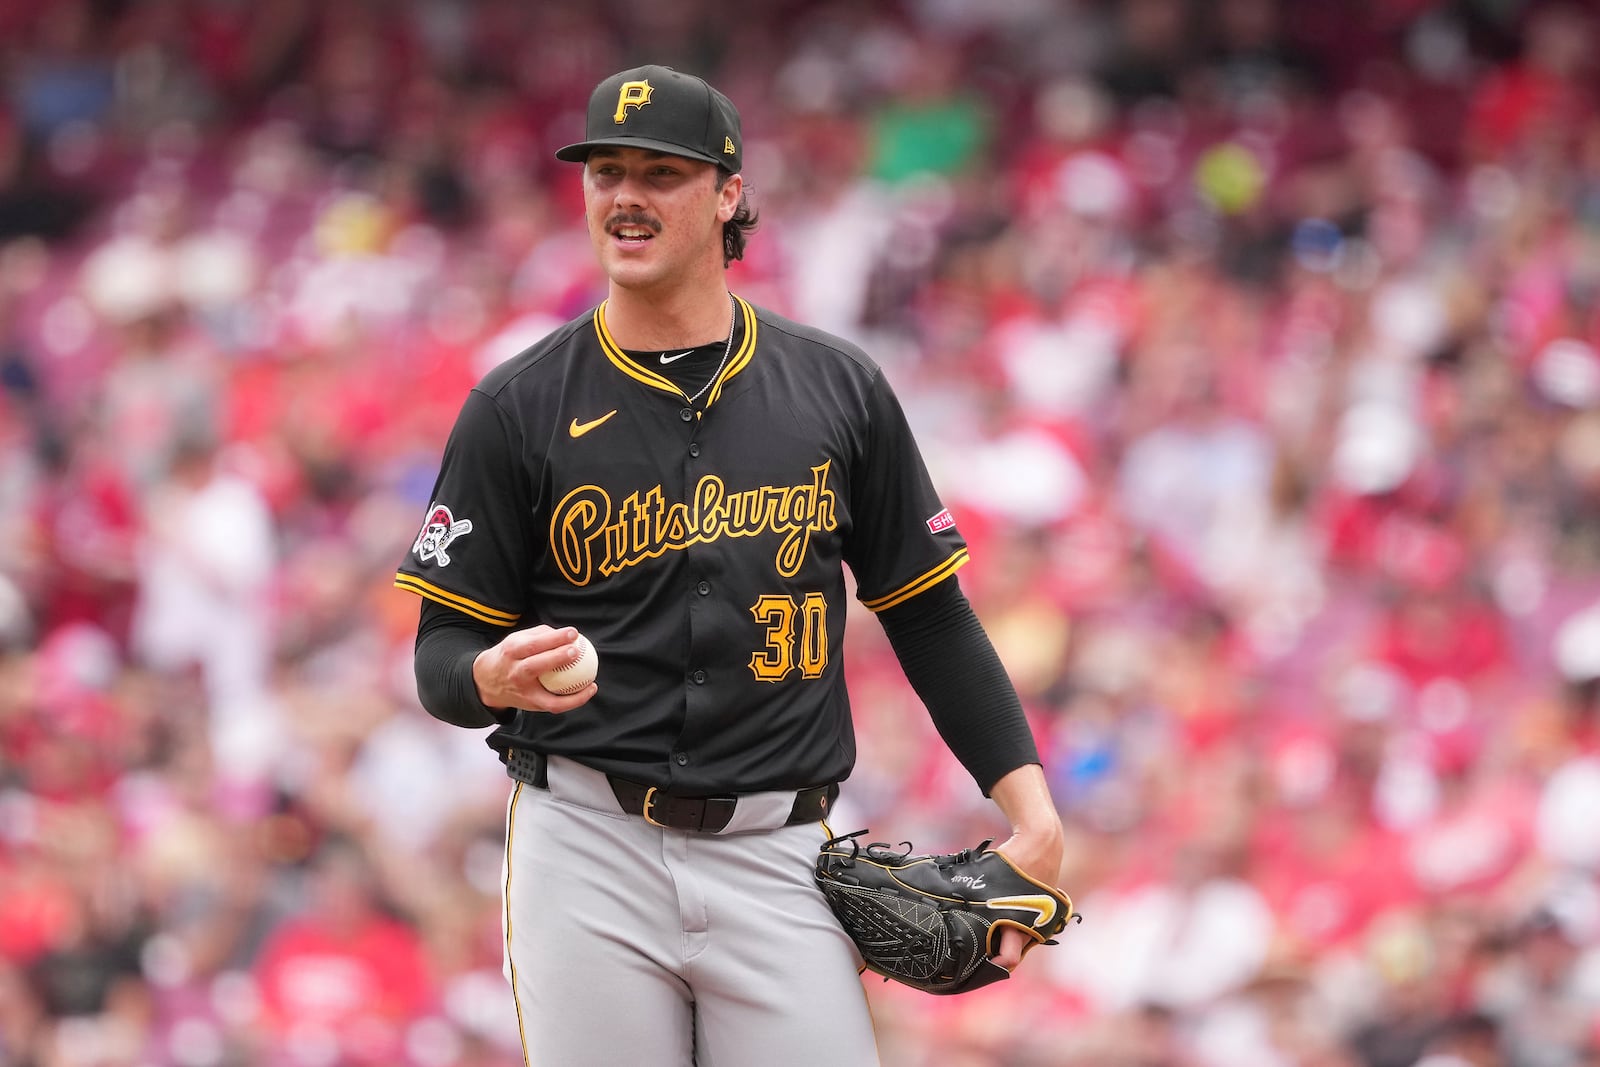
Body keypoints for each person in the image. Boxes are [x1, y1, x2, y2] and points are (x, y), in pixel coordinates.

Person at [396, 63, 1066, 1067]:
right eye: (604, 172)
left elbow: (928, 614)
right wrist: (486, 676)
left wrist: (1031, 810)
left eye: (659, 172)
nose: (624, 196)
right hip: (587, 843)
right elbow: (440, 651)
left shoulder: (837, 388)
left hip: (779, 849)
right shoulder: (517, 406)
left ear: (728, 193)